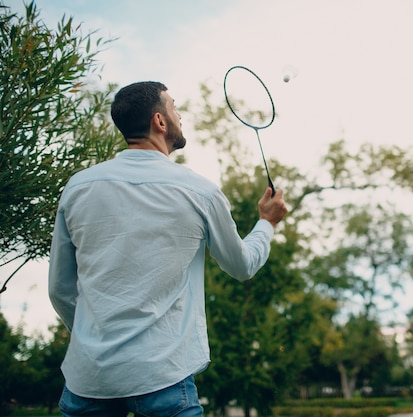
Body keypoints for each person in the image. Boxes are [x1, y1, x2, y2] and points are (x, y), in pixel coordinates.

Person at [48, 81, 288, 417]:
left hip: (90, 378)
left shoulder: (78, 187)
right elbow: (242, 265)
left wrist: (93, 337)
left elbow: (60, 289)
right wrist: (267, 222)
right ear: (160, 121)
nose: (180, 115)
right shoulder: (199, 191)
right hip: (164, 374)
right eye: (174, 107)